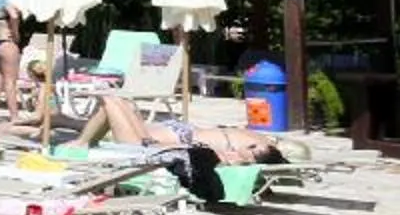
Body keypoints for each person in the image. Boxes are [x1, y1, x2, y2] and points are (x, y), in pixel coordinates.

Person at [73, 92, 290, 164]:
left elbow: (195, 154)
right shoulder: (258, 146)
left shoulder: (233, 158)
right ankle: (83, 141)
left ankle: (80, 143)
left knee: (110, 101)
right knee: (122, 103)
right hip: (156, 142)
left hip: (145, 149)